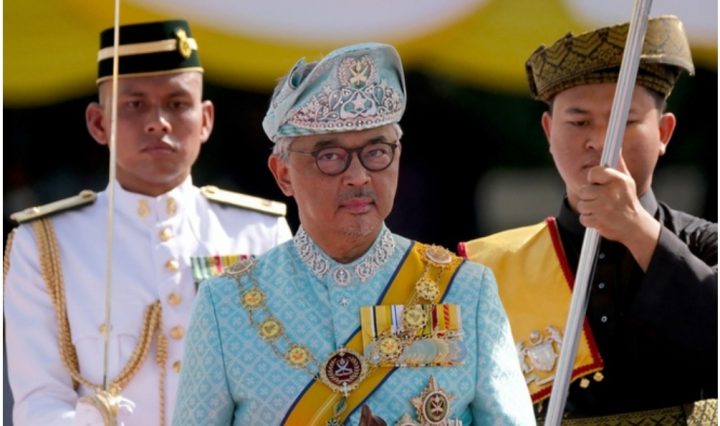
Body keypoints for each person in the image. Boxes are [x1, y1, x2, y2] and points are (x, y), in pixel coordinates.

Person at [171, 42, 535, 425]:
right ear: (283, 174)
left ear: (397, 156)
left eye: (376, 152)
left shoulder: (465, 289)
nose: (359, 176)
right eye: (330, 156)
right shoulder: (226, 303)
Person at [4, 19, 293, 426]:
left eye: (177, 103)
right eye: (135, 105)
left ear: (206, 119)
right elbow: (39, 402)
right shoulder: (45, 244)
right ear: (98, 123)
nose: (159, 122)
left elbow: (285, 382)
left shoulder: (260, 233)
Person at [459, 15, 718, 423]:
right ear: (549, 132)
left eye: (625, 122)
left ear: (664, 133)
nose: (599, 141)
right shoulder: (489, 269)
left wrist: (637, 229)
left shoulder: (705, 244)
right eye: (579, 122)